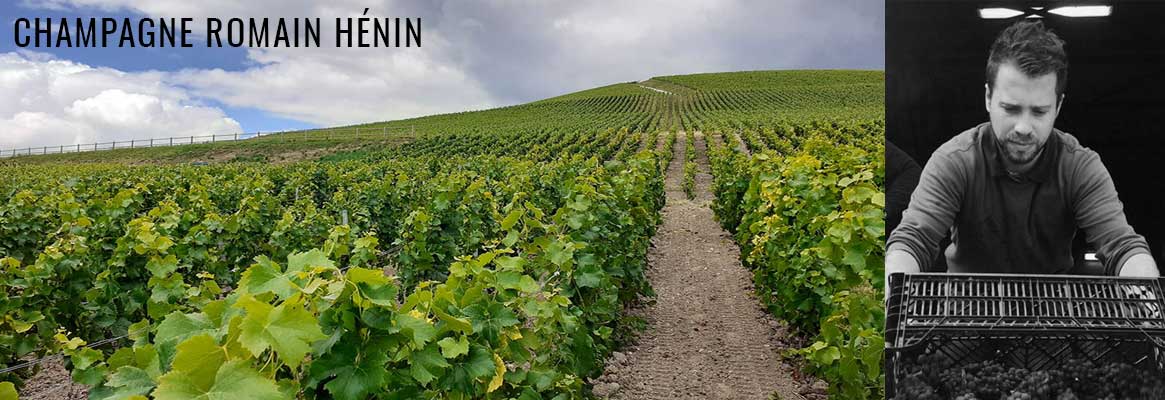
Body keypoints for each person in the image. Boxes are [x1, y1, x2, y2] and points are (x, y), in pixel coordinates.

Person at [885, 20, 1159, 282]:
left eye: (1039, 111)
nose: (1024, 127)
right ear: (988, 98)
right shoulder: (954, 160)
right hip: (965, 310)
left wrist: (1148, 294)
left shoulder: (1080, 167)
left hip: (1050, 312)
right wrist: (892, 288)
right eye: (1011, 109)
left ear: (1058, 107)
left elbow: (1122, 245)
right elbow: (913, 239)